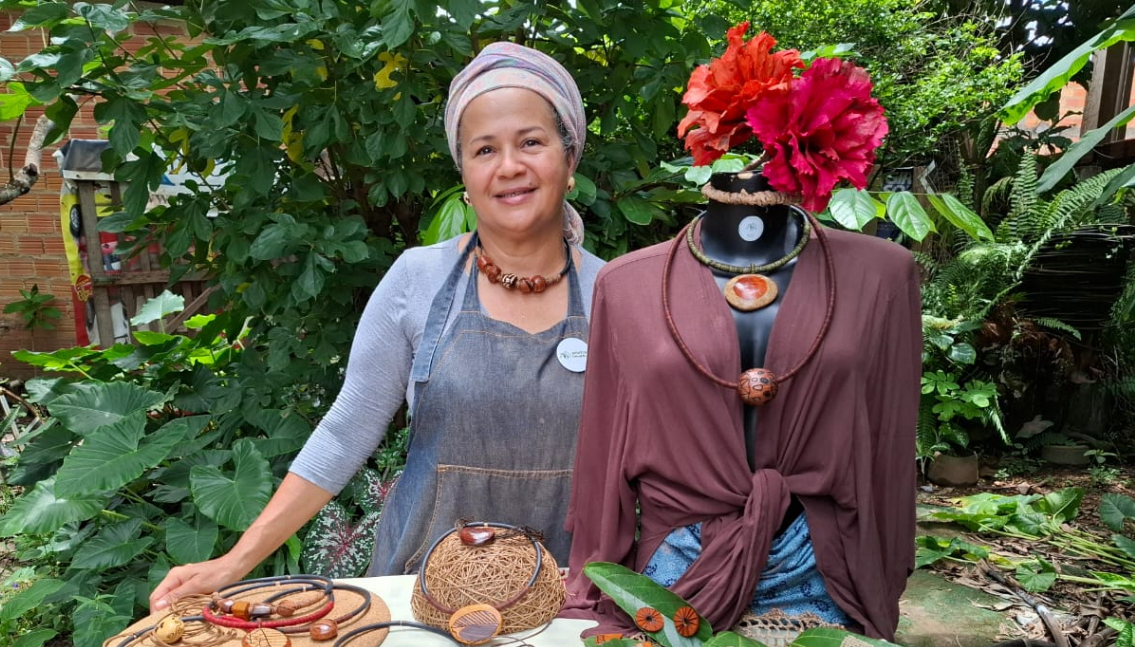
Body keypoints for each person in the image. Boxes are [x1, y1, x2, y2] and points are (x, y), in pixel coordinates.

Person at [150, 42, 606, 610]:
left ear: (569, 158)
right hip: (423, 597)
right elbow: (345, 432)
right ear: (464, 172)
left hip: (568, 599)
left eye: (531, 142)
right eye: (484, 149)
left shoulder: (615, 295)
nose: (509, 166)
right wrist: (236, 560)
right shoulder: (418, 279)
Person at [559, 171, 921, 641]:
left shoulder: (883, 275)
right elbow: (604, 454)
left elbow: (890, 447)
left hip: (823, 568)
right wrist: (592, 581)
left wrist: (885, 571)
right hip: (675, 573)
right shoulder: (626, 283)